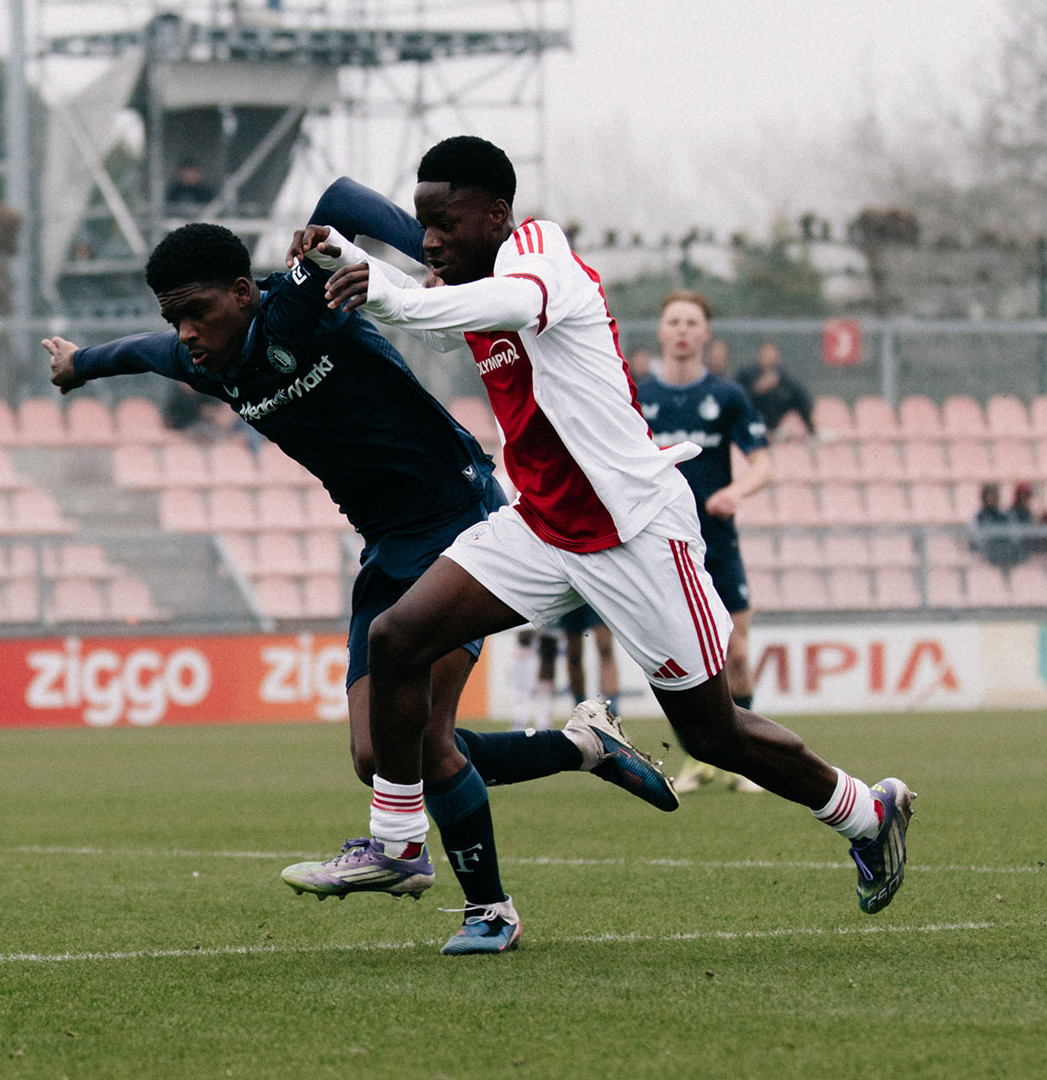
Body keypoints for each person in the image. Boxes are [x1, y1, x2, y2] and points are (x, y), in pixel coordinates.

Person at [297, 135, 913, 920]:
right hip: (544, 528)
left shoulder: (539, 260)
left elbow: (446, 308)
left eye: (444, 223)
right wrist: (334, 253)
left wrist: (377, 279)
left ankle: (867, 811)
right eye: (422, 225)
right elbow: (437, 313)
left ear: (495, 214)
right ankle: (396, 843)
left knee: (712, 734)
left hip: (635, 535)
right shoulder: (473, 281)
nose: (430, 241)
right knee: (396, 637)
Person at [44, 218, 675, 955]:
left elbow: (339, 201)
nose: (184, 332)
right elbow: (141, 353)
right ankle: (582, 747)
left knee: (427, 742)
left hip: (460, 519)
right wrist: (80, 364)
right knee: (379, 756)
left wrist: (433, 257)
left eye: (196, 313)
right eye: (173, 317)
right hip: (385, 545)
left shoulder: (298, 306)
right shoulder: (208, 360)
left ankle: (489, 911)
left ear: (245, 292)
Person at [639, 290, 775, 795]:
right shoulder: (636, 395)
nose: (681, 330)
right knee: (677, 657)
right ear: (660, 330)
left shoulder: (729, 396)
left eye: (691, 322)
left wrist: (733, 491)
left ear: (704, 333)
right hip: (658, 546)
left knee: (736, 654)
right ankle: (696, 759)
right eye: (672, 320)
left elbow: (764, 466)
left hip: (716, 542)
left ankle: (745, 762)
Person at [734, 341, 815, 440]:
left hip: (774, 425)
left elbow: (802, 397)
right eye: (766, 355)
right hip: (750, 424)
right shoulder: (746, 375)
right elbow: (736, 399)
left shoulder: (784, 378)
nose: (769, 359)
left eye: (772, 355)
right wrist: (757, 389)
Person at [559, 606, 620, 717]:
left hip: (596, 593)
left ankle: (612, 709)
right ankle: (579, 707)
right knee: (574, 655)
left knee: (605, 648)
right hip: (571, 594)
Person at [971, 483, 1024, 570]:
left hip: (1005, 552)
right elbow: (976, 539)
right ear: (983, 498)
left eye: (993, 496)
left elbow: (1014, 536)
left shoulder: (1006, 516)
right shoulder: (978, 517)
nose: (991, 499)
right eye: (988, 496)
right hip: (987, 554)